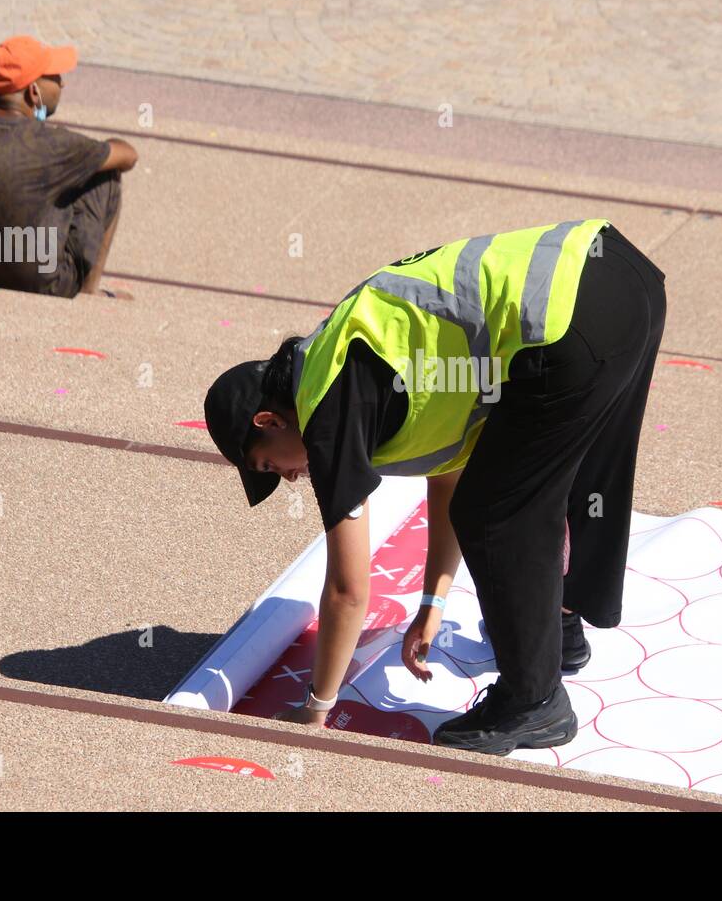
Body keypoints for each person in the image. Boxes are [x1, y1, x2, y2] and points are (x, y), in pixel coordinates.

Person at [203, 219, 667, 755]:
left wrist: (315, 710)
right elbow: (449, 477)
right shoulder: (346, 358)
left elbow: (348, 591)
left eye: (268, 468)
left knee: (501, 510)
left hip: (568, 316)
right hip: (619, 275)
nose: (288, 478)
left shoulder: (325, 406)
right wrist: (432, 602)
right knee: (565, 471)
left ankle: (533, 702)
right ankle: (558, 631)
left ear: (268, 421)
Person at [0, 35, 139, 298]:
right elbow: (129, 156)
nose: (62, 83)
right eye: (54, 77)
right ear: (34, 92)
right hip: (41, 283)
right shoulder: (56, 145)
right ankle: (90, 291)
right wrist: (98, 149)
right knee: (106, 173)